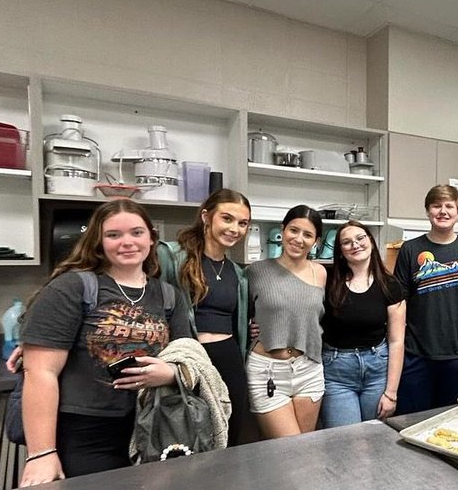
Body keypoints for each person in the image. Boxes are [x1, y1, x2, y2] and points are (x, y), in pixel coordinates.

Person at [18, 200, 192, 483]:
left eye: (136, 233)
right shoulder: (73, 288)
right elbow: (39, 371)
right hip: (86, 431)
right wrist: (41, 454)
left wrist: (170, 373)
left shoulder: (169, 296)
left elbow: (189, 359)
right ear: (99, 242)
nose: (127, 242)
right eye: (114, 235)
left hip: (153, 425)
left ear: (151, 238)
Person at [158, 190, 251, 447]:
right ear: (206, 217)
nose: (235, 228)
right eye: (227, 219)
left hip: (229, 360)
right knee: (185, 440)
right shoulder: (172, 256)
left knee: (229, 440)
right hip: (188, 361)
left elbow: (240, 320)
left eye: (242, 223)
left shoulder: (238, 273)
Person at [394, 184, 458, 413]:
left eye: (449, 206)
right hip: (416, 356)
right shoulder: (410, 249)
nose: (442, 211)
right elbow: (399, 303)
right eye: (436, 206)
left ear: (457, 211)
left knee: (453, 421)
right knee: (411, 421)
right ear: (427, 211)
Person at [246, 205, 326, 438]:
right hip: (268, 371)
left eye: (308, 234)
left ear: (316, 241)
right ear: (283, 230)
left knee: (305, 452)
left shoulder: (320, 273)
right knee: (289, 449)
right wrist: (249, 326)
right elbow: (240, 312)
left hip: (308, 369)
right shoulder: (256, 271)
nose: (299, 239)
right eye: (294, 230)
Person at [321, 221, 405, 426]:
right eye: (347, 242)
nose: (355, 245)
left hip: (377, 369)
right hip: (337, 372)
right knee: (345, 441)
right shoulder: (328, 280)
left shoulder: (390, 284)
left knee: (375, 441)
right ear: (340, 251)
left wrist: (391, 393)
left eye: (360, 238)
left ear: (371, 242)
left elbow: (396, 341)